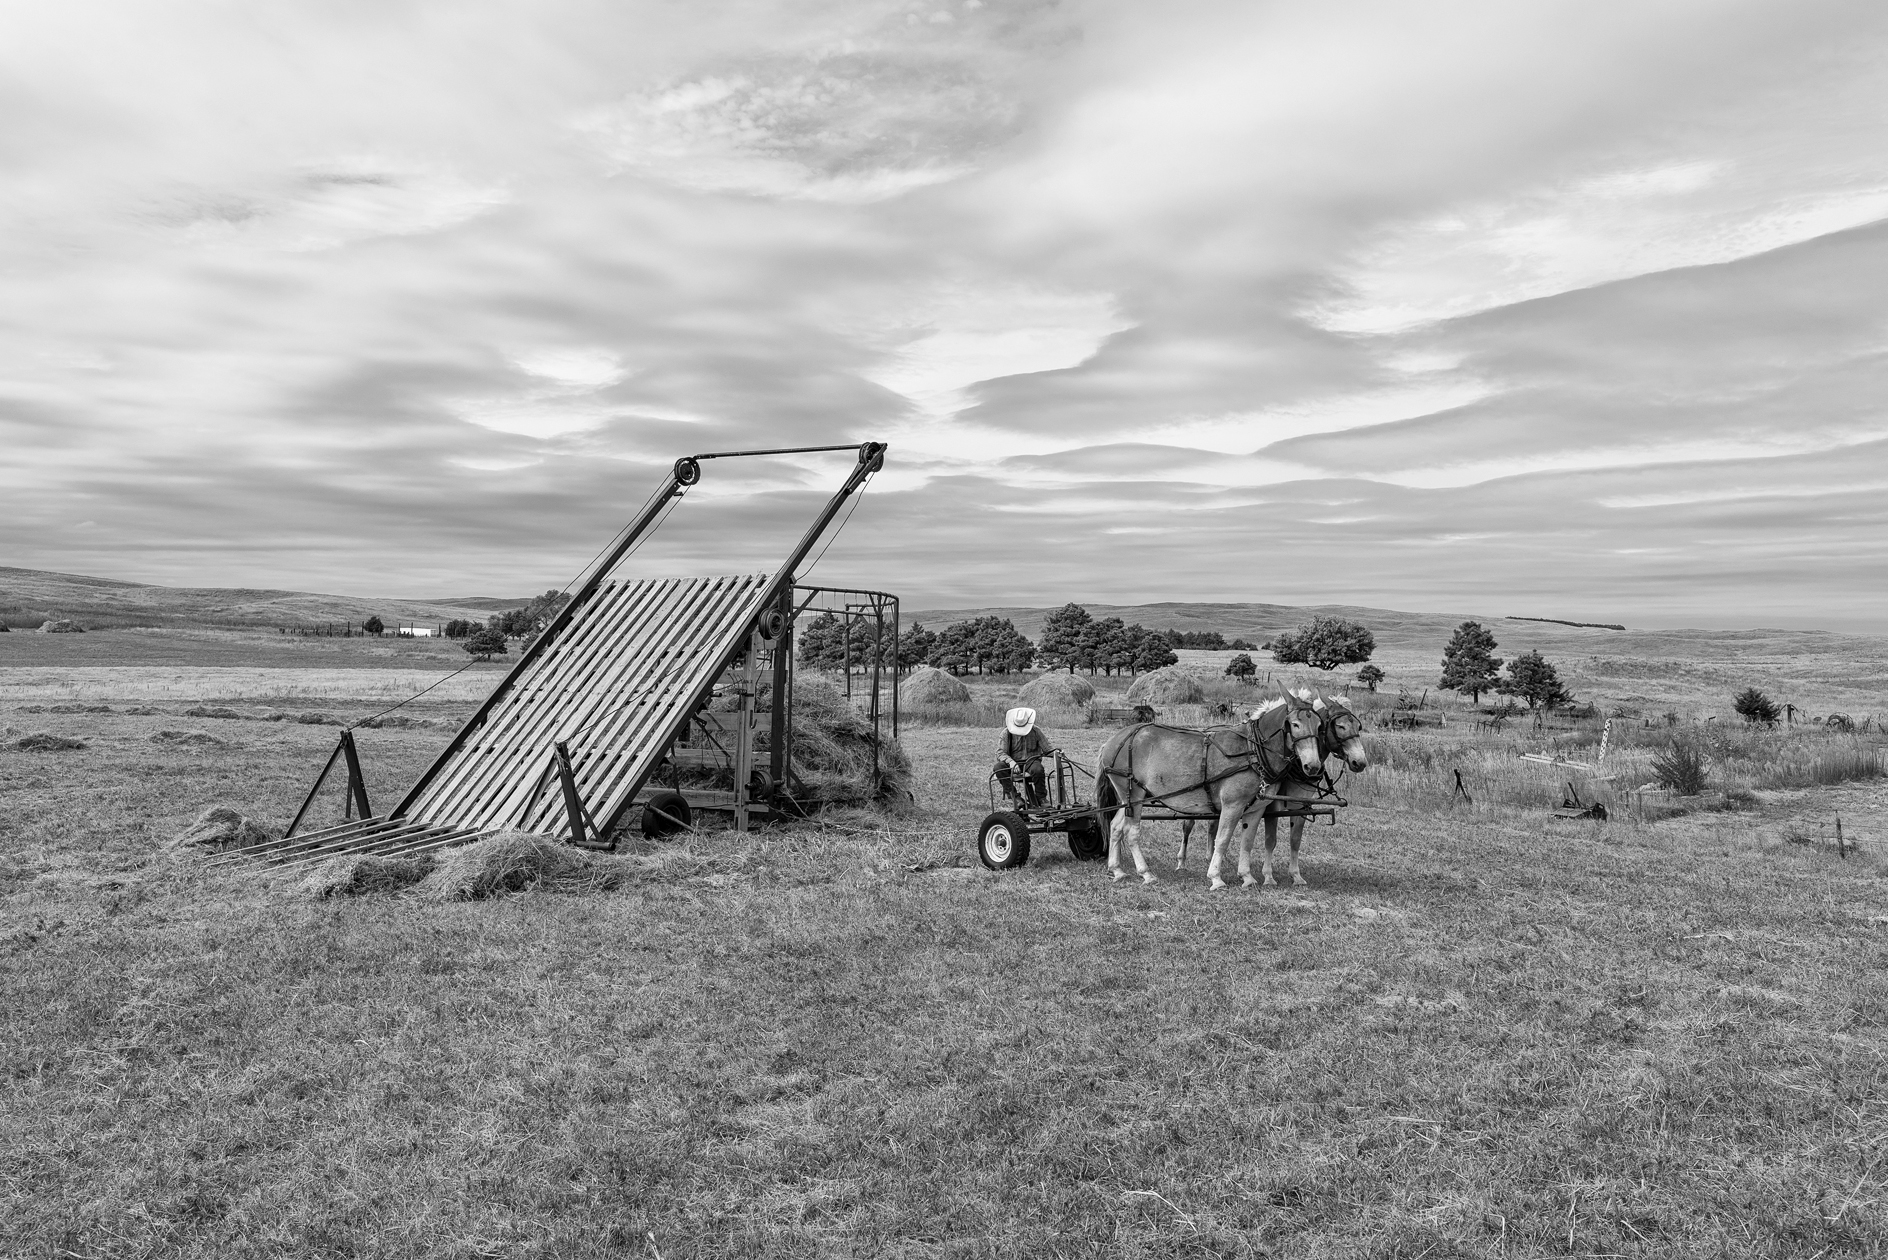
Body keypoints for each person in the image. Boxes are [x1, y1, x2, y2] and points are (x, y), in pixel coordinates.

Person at [994, 706, 1052, 807]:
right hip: (1013, 762)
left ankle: (1041, 798)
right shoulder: (1006, 733)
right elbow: (1000, 752)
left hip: (1031, 761)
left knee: (1038, 769)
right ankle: (1015, 797)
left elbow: (1048, 749)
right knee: (998, 768)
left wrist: (1056, 753)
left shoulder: (1036, 731)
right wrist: (1011, 762)